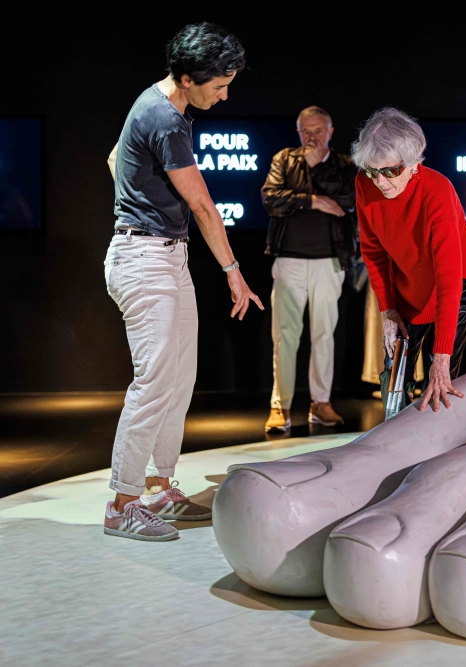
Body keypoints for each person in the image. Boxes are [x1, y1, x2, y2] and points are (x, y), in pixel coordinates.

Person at [103, 23, 263, 542]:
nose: (225, 94)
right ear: (189, 78)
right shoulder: (164, 118)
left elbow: (114, 159)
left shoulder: (155, 102)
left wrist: (138, 200)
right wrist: (235, 275)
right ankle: (122, 504)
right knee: (153, 383)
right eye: (219, 85)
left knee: (178, 378)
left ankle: (158, 486)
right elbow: (202, 206)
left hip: (163, 255)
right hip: (145, 258)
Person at [353, 108, 466, 413]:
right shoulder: (365, 182)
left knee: (439, 374)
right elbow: (373, 252)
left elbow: (449, 276)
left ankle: (433, 449)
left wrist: (441, 359)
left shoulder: (437, 191)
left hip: (459, 281)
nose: (380, 182)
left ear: (414, 164)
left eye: (390, 171)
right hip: (409, 279)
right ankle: (393, 440)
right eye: (373, 171)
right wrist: (388, 310)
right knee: (395, 366)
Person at [261, 107, 358, 432]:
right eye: (305, 131)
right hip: (288, 259)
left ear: (330, 131)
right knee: (285, 337)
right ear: (298, 132)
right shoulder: (284, 159)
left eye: (317, 130)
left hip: (329, 262)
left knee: (324, 335)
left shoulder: (344, 165)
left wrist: (318, 171)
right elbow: (271, 199)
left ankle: (321, 403)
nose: (311, 137)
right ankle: (281, 407)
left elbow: (348, 200)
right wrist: (313, 200)